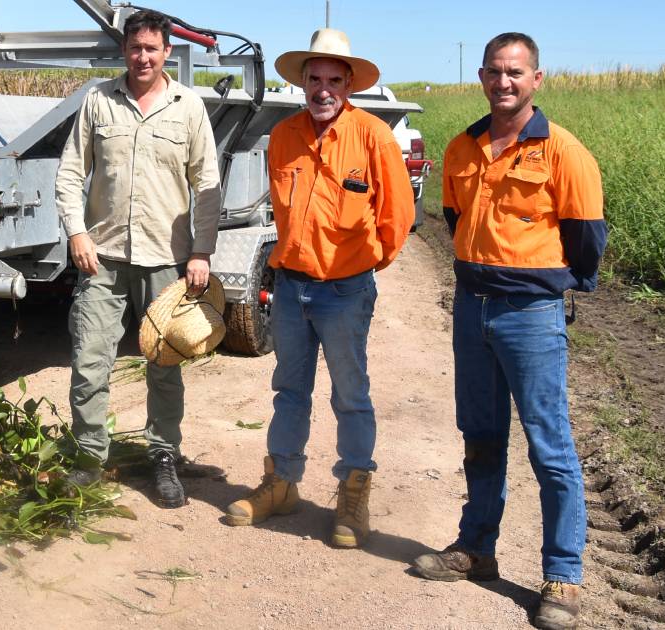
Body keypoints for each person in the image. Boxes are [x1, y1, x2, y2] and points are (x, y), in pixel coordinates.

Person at [411, 33, 605, 630]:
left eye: (516, 72)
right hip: (472, 310)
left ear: (537, 79)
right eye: (495, 71)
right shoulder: (463, 148)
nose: (504, 82)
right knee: (481, 434)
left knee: (550, 447)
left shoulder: (564, 152)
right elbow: (452, 219)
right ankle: (477, 549)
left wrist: (541, 286)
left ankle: (563, 577)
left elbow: (586, 240)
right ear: (481, 76)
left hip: (531, 318)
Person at [223, 29, 414, 549]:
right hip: (291, 287)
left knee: (351, 396)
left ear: (348, 84)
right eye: (315, 78)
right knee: (289, 391)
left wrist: (363, 264)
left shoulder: (372, 136)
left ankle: (353, 495)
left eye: (334, 79)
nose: (323, 89)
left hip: (345, 291)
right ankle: (281, 484)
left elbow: (398, 216)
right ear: (303, 81)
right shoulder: (283, 136)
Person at [54, 9, 221, 508]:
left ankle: (164, 457)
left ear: (167, 52)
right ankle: (89, 457)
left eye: (152, 48)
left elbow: (206, 185)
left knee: (164, 366)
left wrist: (201, 251)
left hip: (165, 260)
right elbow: (68, 175)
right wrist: (77, 233)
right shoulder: (98, 102)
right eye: (134, 48)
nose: (142, 56)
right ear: (123, 51)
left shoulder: (187, 106)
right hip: (100, 258)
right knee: (89, 361)